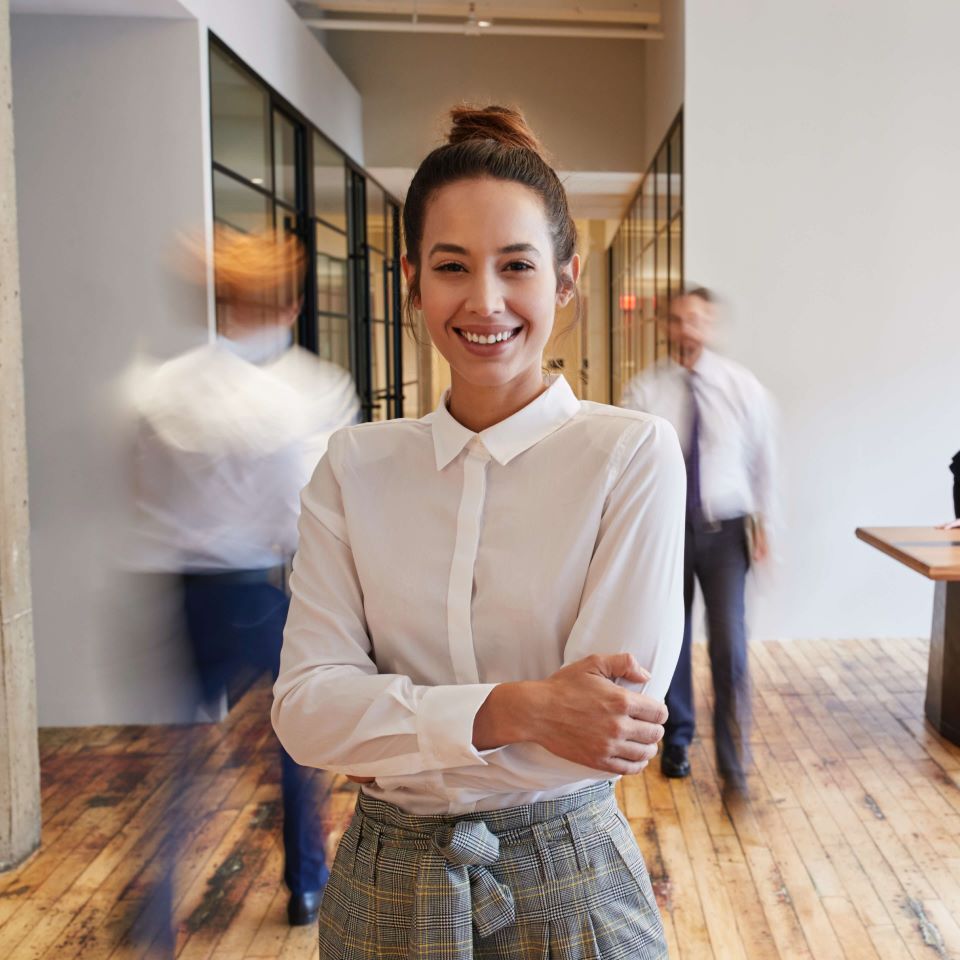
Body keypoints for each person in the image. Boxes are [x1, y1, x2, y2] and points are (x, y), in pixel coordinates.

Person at [272, 105, 686, 960]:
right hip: (383, 883)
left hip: (570, 876)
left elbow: (612, 726)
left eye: (518, 266)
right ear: (412, 279)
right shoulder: (354, 466)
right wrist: (522, 708)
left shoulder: (629, 453)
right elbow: (308, 714)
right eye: (452, 266)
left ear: (565, 280)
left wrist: (394, 729)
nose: (485, 300)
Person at [130, 227, 360, 937]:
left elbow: (142, 491)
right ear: (292, 305)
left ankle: (159, 907)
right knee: (295, 743)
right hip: (264, 589)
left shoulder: (160, 387)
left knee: (181, 759)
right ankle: (306, 887)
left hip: (184, 590)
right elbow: (310, 510)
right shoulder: (311, 394)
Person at [621, 287, 775, 799]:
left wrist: (766, 524)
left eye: (697, 320)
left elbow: (762, 460)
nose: (688, 329)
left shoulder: (740, 387)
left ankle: (734, 761)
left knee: (730, 644)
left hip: (726, 531)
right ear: (666, 326)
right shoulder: (645, 391)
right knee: (674, 639)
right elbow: (629, 466)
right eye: (680, 319)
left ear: (709, 327)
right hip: (668, 532)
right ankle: (678, 741)